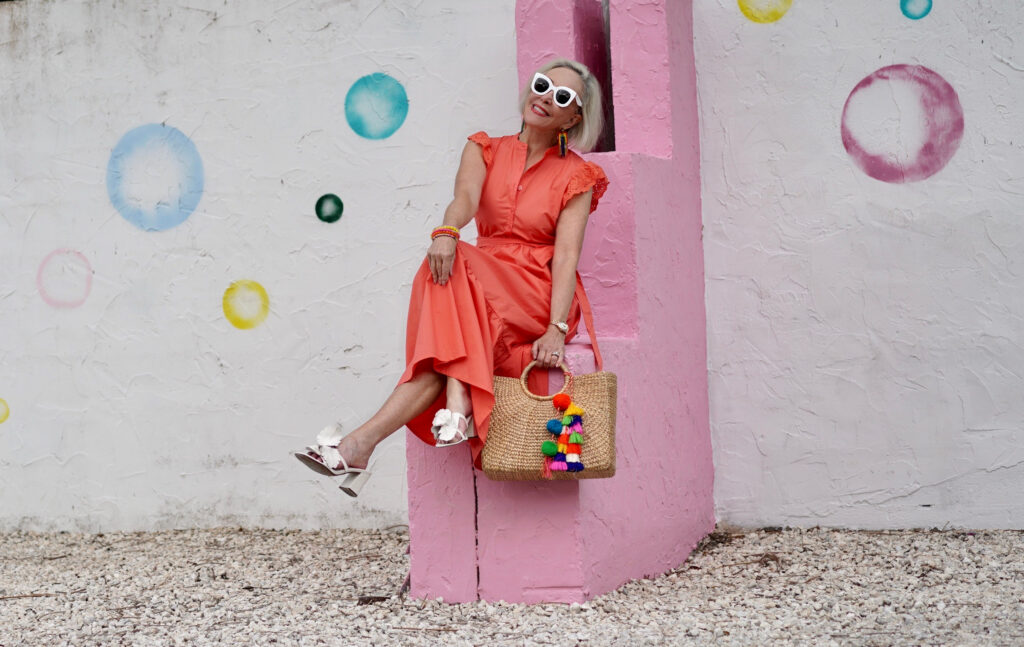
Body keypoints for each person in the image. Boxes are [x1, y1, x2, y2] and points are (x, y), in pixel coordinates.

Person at [295, 58, 609, 496]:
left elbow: (566, 257)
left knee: (452, 266)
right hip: (480, 283)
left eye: (561, 96)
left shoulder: (579, 175)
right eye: (542, 85)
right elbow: (464, 199)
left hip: (535, 290)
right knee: (446, 273)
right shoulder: (485, 148)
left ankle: (457, 401)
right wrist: (446, 230)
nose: (544, 98)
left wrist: (557, 328)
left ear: (573, 117)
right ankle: (358, 446)